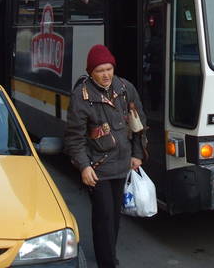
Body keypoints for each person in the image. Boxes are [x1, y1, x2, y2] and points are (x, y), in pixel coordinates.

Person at [64, 44, 147, 268]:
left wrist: (137, 154)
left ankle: (109, 255)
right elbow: (74, 138)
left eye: (109, 69)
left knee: (115, 217)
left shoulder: (125, 88)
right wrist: (84, 166)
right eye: (100, 70)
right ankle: (107, 262)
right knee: (104, 217)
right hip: (98, 168)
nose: (106, 75)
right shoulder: (81, 96)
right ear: (91, 72)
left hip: (122, 165)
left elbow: (139, 123)